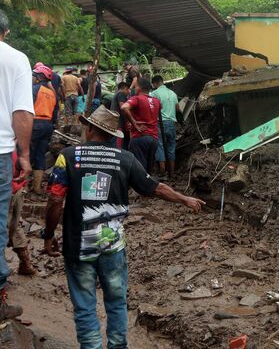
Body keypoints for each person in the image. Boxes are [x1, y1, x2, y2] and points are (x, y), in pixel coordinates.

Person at [41, 105, 204, 348]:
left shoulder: (69, 155)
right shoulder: (125, 159)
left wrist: (49, 234)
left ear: (90, 127)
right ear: (111, 134)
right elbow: (155, 188)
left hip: (78, 246)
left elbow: (55, 199)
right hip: (112, 246)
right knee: (116, 302)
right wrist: (184, 199)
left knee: (85, 305)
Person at [0, 9, 35, 320]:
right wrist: (24, 154)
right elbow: (23, 113)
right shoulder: (14, 59)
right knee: (6, 225)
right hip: (3, 157)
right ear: (6, 32)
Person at [121, 78, 161, 172]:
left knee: (139, 170)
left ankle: (139, 186)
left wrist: (133, 122)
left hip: (140, 137)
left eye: (135, 86)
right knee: (148, 170)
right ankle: (148, 186)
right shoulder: (156, 101)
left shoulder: (137, 98)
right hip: (154, 138)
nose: (134, 89)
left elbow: (124, 107)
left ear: (139, 88)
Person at [8, 151, 36, 276]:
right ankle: (25, 264)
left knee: (10, 224)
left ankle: (25, 264)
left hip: (7, 189)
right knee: (14, 224)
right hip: (17, 187)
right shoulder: (12, 141)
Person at [31, 65, 58, 195]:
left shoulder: (35, 89)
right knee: (40, 155)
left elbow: (26, 108)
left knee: (27, 153)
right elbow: (55, 113)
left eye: (34, 75)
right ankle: (37, 187)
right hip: (48, 125)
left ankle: (22, 187)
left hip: (35, 123)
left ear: (39, 77)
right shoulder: (52, 93)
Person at [150, 75, 180, 178]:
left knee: (160, 146)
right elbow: (177, 108)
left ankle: (162, 172)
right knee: (171, 147)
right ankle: (172, 173)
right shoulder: (173, 93)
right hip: (171, 123)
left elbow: (152, 108)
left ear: (154, 84)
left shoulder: (154, 93)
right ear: (162, 82)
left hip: (160, 123)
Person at [110, 82, 131, 150]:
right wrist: (129, 120)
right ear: (124, 88)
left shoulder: (116, 94)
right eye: (128, 89)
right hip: (118, 123)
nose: (129, 91)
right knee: (117, 146)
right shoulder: (121, 94)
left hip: (114, 122)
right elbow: (123, 108)